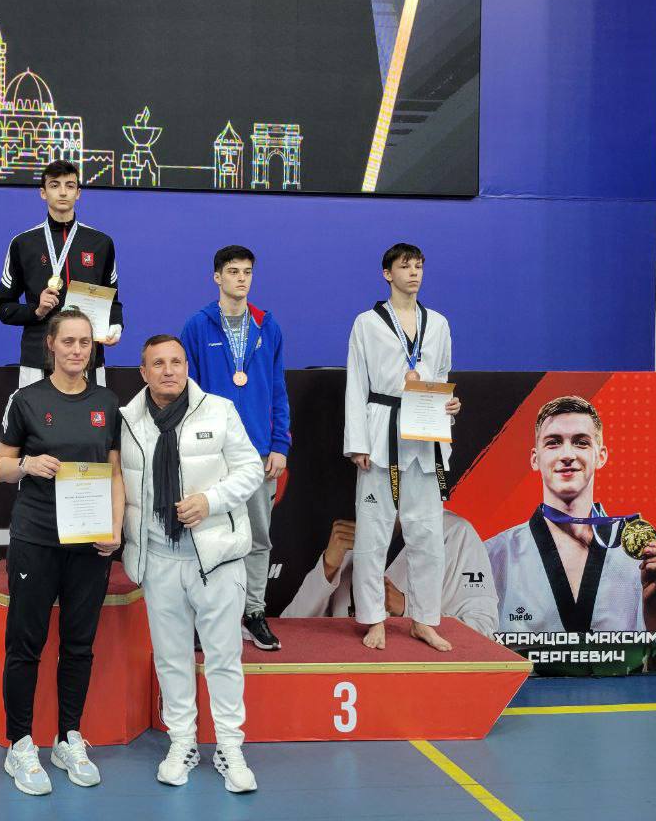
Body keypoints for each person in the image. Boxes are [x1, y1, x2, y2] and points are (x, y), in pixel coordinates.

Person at [120, 335, 264, 793]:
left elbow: (251, 469)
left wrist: (210, 501)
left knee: (224, 658)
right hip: (158, 560)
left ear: (187, 366)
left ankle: (230, 748)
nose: (169, 370)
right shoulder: (127, 420)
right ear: (143, 372)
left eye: (176, 362)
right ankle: (181, 742)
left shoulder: (220, 410)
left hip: (215, 559)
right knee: (171, 658)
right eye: (158, 363)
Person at [0, 309, 125, 796]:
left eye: (84, 342)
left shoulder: (107, 402)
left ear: (93, 348)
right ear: (50, 344)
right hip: (37, 538)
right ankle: (19, 743)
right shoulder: (26, 400)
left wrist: (115, 528)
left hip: (89, 541)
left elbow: (115, 472)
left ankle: (69, 738)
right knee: (25, 643)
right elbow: (0, 467)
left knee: (79, 643)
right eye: (68, 341)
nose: (76, 350)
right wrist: (27, 464)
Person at [343, 243, 462, 652]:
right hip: (381, 432)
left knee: (427, 532)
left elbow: (442, 375)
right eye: (405, 266)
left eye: (419, 266)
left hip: (425, 431)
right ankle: (373, 617)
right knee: (374, 532)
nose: (414, 273)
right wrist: (357, 442)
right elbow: (356, 383)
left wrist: (450, 407)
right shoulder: (366, 323)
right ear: (387, 273)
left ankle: (424, 619)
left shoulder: (439, 323)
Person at [486, 396, 656, 634]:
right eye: (553, 443)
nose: (567, 454)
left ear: (601, 456)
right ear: (535, 459)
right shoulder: (495, 554)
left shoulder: (644, 549)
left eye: (581, 443)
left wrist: (654, 605)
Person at [179, 245, 290, 651]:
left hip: (257, 451)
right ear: (217, 277)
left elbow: (277, 389)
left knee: (258, 537)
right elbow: (186, 391)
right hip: (211, 450)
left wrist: (279, 444)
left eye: (247, 272)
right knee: (208, 534)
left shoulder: (267, 326)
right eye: (233, 271)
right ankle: (204, 616)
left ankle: (254, 612)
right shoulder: (197, 326)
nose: (241, 279)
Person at [0, 159, 123, 387]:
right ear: (43, 193)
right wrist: (36, 310)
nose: (63, 192)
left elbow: (112, 301)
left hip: (87, 358)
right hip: (38, 359)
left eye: (69, 185)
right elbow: (3, 307)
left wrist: (115, 325)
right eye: (54, 185)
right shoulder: (23, 243)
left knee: (92, 411)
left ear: (78, 193)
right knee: (34, 412)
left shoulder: (101, 243)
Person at [282, 513, 498, 638]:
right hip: (347, 676)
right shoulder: (351, 533)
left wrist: (407, 608)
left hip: (415, 682)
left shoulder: (456, 532)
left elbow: (483, 629)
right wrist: (328, 567)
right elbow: (289, 628)